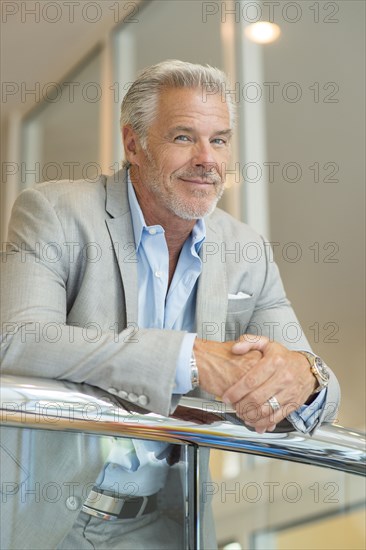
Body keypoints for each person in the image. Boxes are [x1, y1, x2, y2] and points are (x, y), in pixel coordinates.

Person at [1, 60, 340, 549]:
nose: (207, 159)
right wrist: (192, 358)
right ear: (133, 144)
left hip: (163, 527)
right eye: (184, 137)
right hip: (46, 518)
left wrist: (305, 377)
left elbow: (321, 392)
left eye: (219, 140)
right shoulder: (56, 212)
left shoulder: (248, 249)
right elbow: (19, 340)